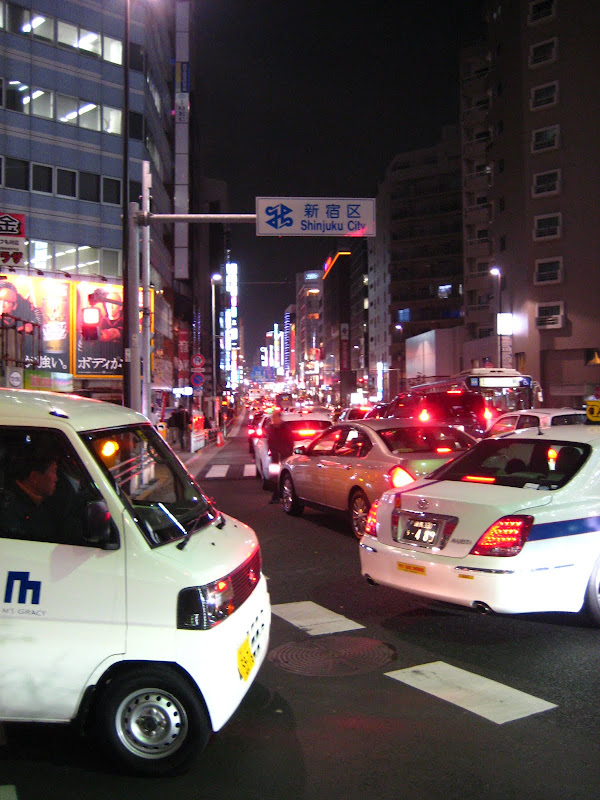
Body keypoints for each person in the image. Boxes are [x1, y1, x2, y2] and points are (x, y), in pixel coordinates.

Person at [0, 445, 77, 543]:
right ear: (35, 477)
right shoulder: (9, 512)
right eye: (53, 471)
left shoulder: (47, 502)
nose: (56, 479)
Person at [266, 411, 295, 504]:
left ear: (279, 418)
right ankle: (276, 496)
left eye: (275, 417)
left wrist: (287, 453)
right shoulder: (271, 428)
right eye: (273, 417)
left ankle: (281, 495)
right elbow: (269, 441)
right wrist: (272, 451)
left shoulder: (285, 428)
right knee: (275, 476)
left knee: (283, 476)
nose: (274, 419)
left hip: (284, 456)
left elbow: (290, 442)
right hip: (275, 457)